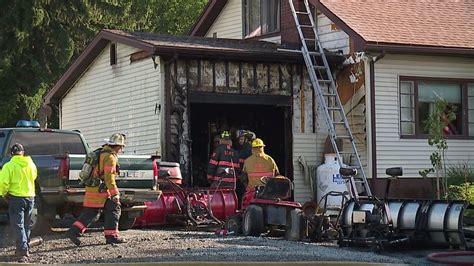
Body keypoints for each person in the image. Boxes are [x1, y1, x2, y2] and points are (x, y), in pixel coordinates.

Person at [66, 133, 127, 246]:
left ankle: (74, 231)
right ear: (117, 146)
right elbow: (109, 178)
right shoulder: (110, 157)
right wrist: (115, 194)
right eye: (121, 146)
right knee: (114, 210)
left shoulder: (100, 153)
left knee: (91, 213)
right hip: (103, 191)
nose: (121, 149)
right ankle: (111, 236)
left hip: (93, 188)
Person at [0, 143, 37, 262]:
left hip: (16, 198)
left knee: (18, 225)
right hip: (30, 197)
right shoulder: (31, 164)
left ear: (12, 154)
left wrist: (3, 193)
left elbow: (3, 182)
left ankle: (22, 250)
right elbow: (34, 177)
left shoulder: (9, 166)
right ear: (23, 152)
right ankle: (23, 247)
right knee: (26, 224)